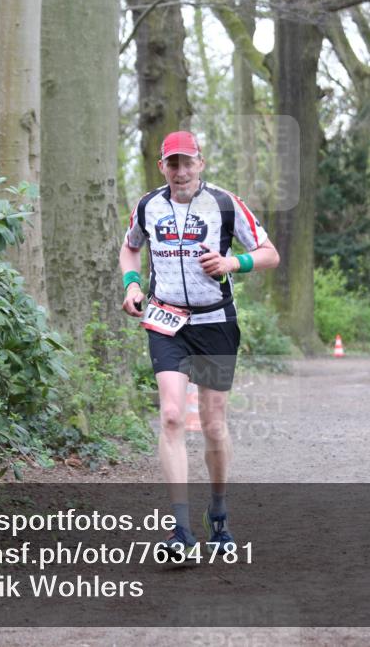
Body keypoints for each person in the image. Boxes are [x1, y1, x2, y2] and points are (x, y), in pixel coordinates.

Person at [119, 131, 279, 556]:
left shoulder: (225, 204)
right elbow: (129, 249)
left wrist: (232, 262)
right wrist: (132, 285)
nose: (181, 171)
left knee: (212, 423)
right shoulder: (148, 206)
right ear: (162, 167)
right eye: (173, 163)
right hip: (166, 321)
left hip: (215, 323)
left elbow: (270, 253)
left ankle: (219, 512)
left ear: (200, 164)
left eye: (187, 162)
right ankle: (180, 530)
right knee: (172, 416)